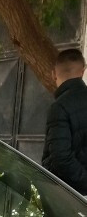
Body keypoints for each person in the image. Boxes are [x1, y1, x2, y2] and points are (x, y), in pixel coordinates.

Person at [42, 47, 87, 194]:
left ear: (54, 74)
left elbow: (61, 158)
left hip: (70, 197)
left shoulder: (59, 107)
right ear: (83, 70)